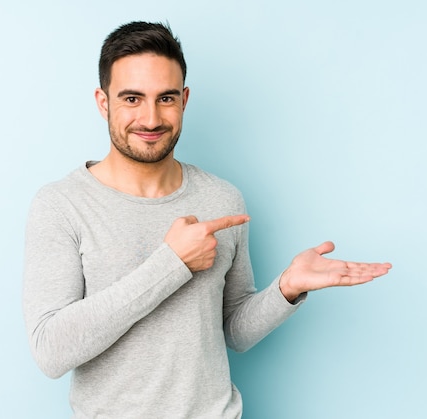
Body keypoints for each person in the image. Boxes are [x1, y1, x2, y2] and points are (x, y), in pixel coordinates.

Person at [23, 21, 392, 419]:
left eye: (165, 98)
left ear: (184, 100)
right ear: (103, 101)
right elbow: (51, 351)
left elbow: (233, 330)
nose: (150, 119)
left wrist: (285, 289)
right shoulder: (61, 204)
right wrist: (171, 263)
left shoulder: (221, 199)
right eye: (132, 98)